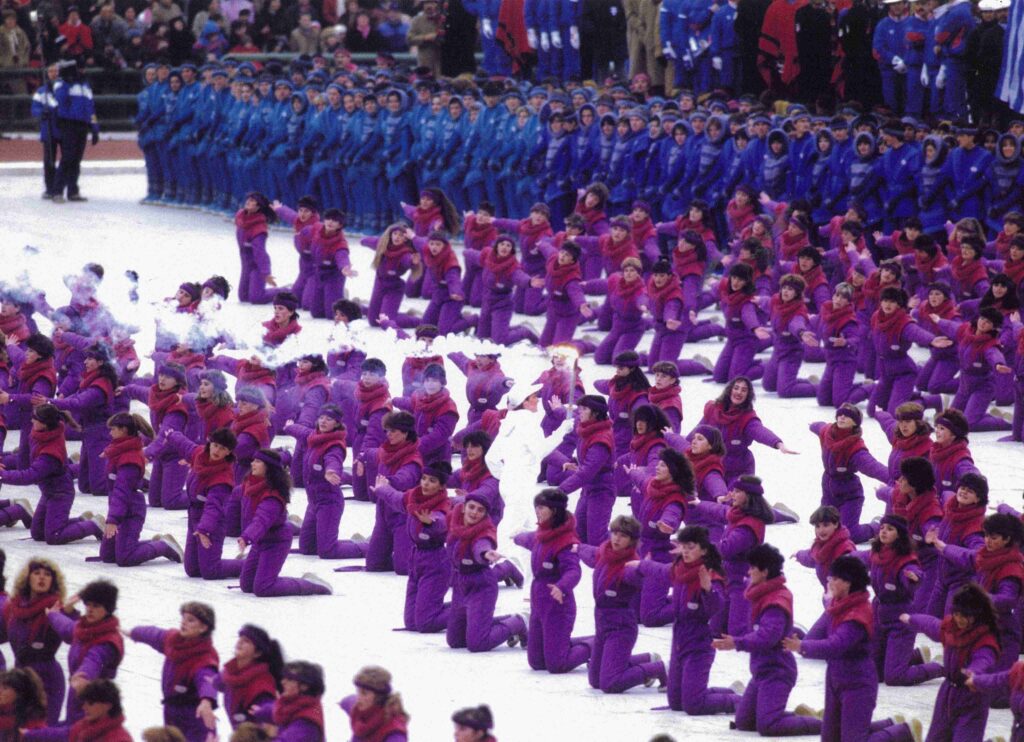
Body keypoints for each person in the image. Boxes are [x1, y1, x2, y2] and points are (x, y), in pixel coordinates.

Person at [713, 544, 822, 736]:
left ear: (764, 572)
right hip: (761, 671)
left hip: (777, 672)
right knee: (744, 722)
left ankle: (825, 724)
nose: (748, 572)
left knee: (769, 726)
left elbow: (766, 637)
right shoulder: (761, 593)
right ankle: (794, 715)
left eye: (752, 568)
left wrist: (737, 642)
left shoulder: (775, 602)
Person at [577, 515, 666, 692]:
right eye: (615, 533)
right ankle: (647, 659)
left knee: (610, 683)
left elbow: (637, 577)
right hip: (602, 624)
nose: (617, 538)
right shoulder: (604, 553)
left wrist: (644, 568)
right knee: (595, 681)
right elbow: (587, 551)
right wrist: (575, 547)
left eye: (623, 536)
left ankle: (660, 668)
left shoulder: (630, 564)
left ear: (632, 541)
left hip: (621, 627)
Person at [900, 583, 1000, 740]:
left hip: (972, 697)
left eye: (965, 616)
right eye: (957, 614)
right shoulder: (950, 627)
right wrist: (912, 619)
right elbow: (933, 625)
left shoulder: (985, 639)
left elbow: (984, 659)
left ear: (977, 615)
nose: (959, 619)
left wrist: (974, 673)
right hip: (947, 694)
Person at [237, 450, 333, 597]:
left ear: (268, 467)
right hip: (261, 541)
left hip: (276, 542)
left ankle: (311, 584)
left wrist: (247, 536)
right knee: (246, 585)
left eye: (257, 461)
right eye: (253, 460)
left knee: (263, 588)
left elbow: (261, 520)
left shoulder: (272, 496)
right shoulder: (250, 484)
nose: (252, 464)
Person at [514, 488, 590, 674]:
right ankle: (558, 646)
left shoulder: (566, 541)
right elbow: (527, 538)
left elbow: (574, 571)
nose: (537, 512)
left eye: (541, 508)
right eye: (536, 507)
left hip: (558, 605)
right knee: (537, 662)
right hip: (538, 602)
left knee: (557, 665)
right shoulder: (541, 535)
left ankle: (595, 644)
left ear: (554, 510)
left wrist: (561, 586)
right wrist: (514, 538)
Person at [98, 412, 182, 567]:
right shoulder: (118, 449)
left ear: (123, 430)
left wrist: (113, 520)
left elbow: (121, 492)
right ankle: (140, 543)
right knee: (108, 556)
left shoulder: (129, 460)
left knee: (125, 558)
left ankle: (163, 546)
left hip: (131, 511)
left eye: (113, 429)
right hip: (120, 508)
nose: (110, 433)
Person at [129, 602, 219, 741]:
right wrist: (134, 633)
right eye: (183, 618)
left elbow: (207, 679)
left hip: (194, 717)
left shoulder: (204, 656)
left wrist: (206, 701)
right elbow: (154, 634)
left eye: (191, 620)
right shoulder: (173, 640)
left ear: (203, 627)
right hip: (172, 713)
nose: (184, 622)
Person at [46, 579, 124, 724]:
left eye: (96, 606)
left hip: (94, 703)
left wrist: (83, 677)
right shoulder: (85, 629)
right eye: (87, 604)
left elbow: (94, 660)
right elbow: (67, 627)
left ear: (107, 609)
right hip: (77, 696)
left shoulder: (107, 642)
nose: (89, 609)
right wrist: (53, 615)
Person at [4, 558, 70, 724]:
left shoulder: (56, 608)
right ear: (28, 578)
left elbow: (72, 631)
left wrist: (68, 613)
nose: (42, 577)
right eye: (37, 573)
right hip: (19, 677)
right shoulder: (13, 607)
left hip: (47, 678)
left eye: (47, 574)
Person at [213, 624, 283, 730]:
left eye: (246, 641)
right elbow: (214, 682)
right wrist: (206, 700)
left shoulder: (261, 684)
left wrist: (265, 711)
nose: (240, 642)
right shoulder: (230, 673)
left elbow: (273, 709)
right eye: (240, 638)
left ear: (257, 653)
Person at [52, 60, 99, 204]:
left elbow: (91, 108)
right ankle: (57, 191)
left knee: (77, 160)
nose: (82, 71)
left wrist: (95, 127)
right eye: (80, 69)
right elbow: (60, 101)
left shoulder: (85, 86)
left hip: (82, 126)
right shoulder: (61, 84)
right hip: (68, 125)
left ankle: (73, 191)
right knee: (68, 157)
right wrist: (67, 82)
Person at [339, 665, 407, 741]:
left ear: (378, 698)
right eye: (358, 691)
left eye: (364, 693)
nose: (359, 698)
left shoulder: (394, 734)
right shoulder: (358, 710)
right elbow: (347, 701)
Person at [67, 679, 132, 741]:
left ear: (107, 705)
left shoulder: (120, 739)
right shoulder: (78, 729)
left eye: (90, 703)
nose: (84, 707)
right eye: (84, 703)